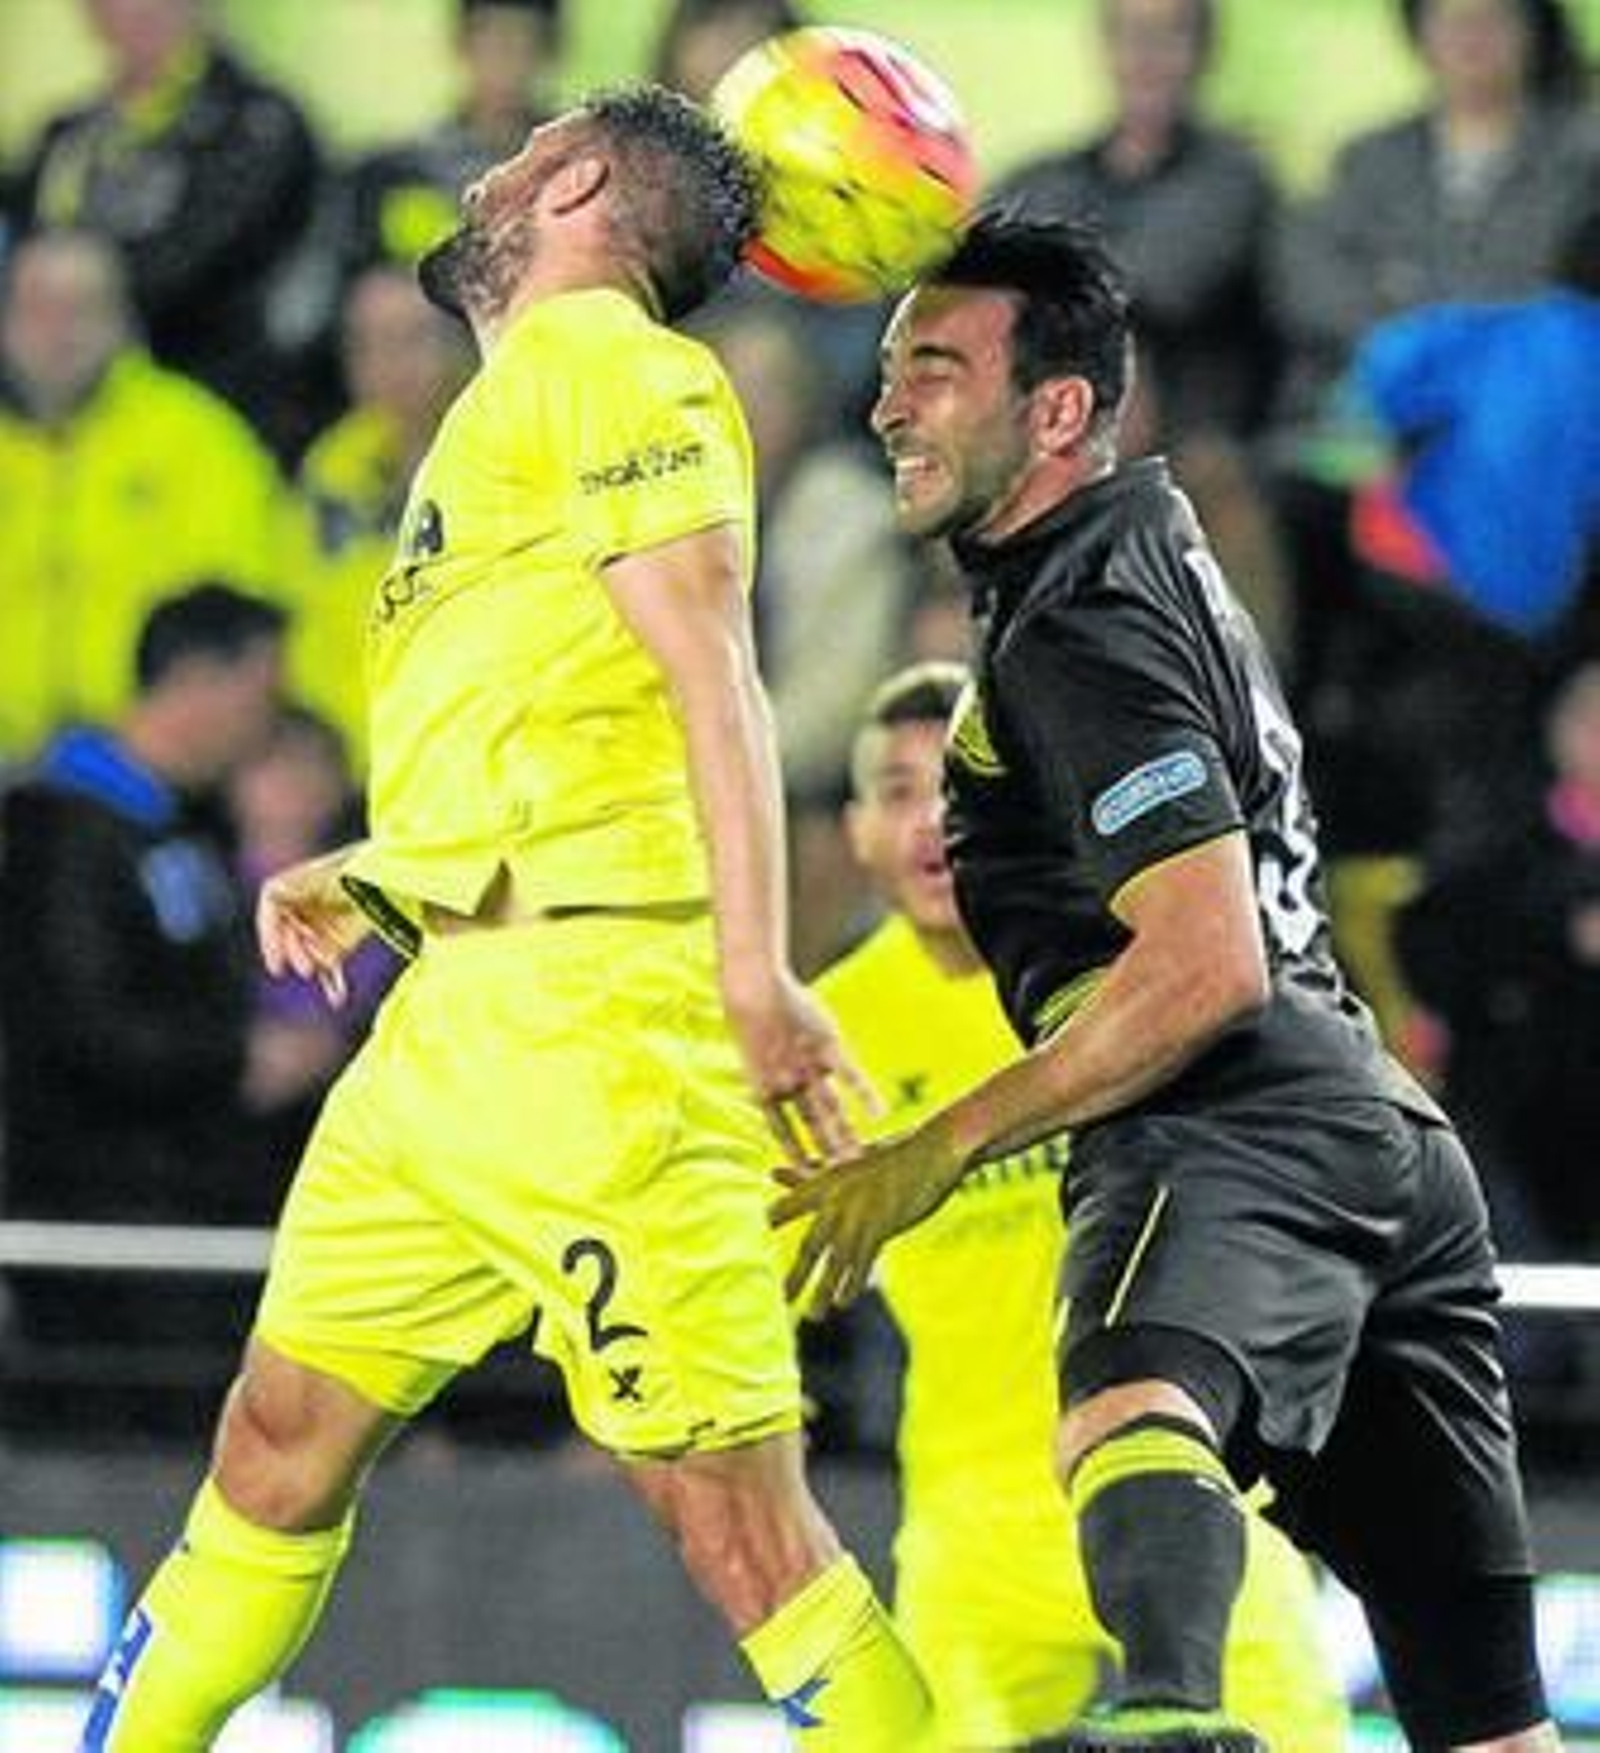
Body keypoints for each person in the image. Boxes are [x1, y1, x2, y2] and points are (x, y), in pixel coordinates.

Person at [78, 86, 935, 1752]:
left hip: (603, 1038)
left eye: (523, 151)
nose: (485, 173)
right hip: (449, 1029)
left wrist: (754, 971)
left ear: (581, 179)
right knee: (274, 1442)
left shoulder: (618, 365)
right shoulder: (511, 410)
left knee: (742, 1531)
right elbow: (562, 712)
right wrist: (384, 866)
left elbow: (714, 669)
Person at [774, 212, 1558, 1752]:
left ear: (1057, 408)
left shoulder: (1080, 624)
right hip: (1374, 1141)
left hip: (1229, 1125)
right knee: (1487, 1725)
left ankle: (1164, 1718)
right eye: (888, 370)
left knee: (1127, 1406)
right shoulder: (1146, 562)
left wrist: (936, 1147)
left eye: (935, 370)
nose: (887, 406)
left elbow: (1203, 965)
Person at [814, 659, 1349, 1751]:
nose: (927, 823)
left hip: (1188, 1478)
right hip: (973, 1524)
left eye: (953, 788)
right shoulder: (825, 1037)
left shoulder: (1148, 978)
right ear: (855, 829)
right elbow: (757, 1270)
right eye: (897, 791)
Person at [0, 584, 288, 1426]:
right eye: (261, 695)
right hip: (100, 1213)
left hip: (183, 1195)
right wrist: (240, 1058)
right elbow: (75, 1028)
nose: (269, 725)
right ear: (197, 680)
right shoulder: (60, 828)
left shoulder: (179, 825)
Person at [0, 228, 285, 764]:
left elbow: (236, 620)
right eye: (37, 307)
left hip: (153, 764)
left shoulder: (199, 437)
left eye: (83, 308)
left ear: (124, 322)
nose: (58, 331)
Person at [11, 0, 320, 451]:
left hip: (220, 410)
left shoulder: (258, 126)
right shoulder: (65, 138)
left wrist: (82, 302)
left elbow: (204, 265)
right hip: (64, 427)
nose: (136, 10)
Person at [995, 0, 1282, 444]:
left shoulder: (1234, 177)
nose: (1147, 54)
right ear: (1105, 47)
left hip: (1192, 435)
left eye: (1170, 35)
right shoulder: (1042, 180)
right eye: (1131, 34)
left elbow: (1166, 281)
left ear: (1205, 52)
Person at [285, 263, 473, 770]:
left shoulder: (509, 452)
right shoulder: (333, 468)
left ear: (464, 340)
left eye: (411, 339)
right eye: (366, 345)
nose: (388, 365)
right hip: (347, 764)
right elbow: (300, 620)